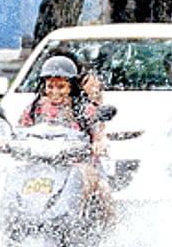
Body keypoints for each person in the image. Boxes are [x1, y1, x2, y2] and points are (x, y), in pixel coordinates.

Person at [19, 54, 113, 218]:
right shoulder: (35, 108)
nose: (55, 92)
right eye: (50, 87)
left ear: (71, 86)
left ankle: (102, 235)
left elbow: (98, 132)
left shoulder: (84, 109)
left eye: (61, 87)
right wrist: (6, 141)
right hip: (41, 163)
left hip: (80, 164)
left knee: (104, 191)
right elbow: (21, 130)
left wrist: (99, 142)